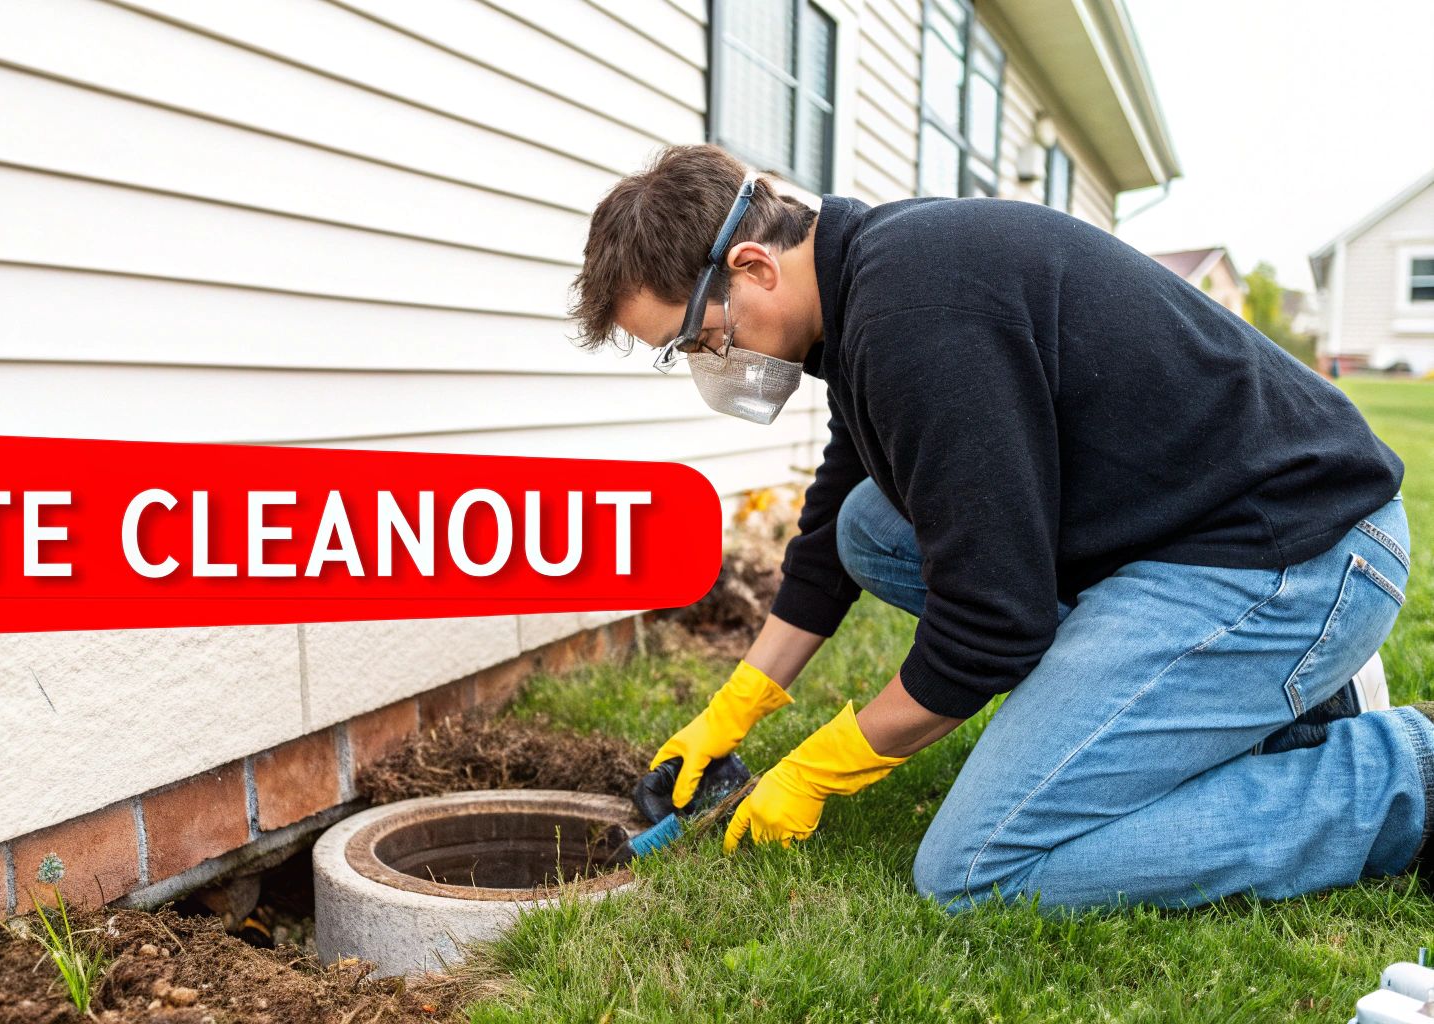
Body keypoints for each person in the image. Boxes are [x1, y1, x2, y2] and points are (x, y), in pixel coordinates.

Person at [569, 143, 1417, 911]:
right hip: (1187, 537)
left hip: (1296, 557)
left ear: (752, 266)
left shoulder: (912, 318)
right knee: (871, 525)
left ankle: (1398, 774)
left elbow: (989, 627)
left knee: (978, 868)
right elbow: (832, 531)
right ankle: (1270, 704)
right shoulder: (865, 285)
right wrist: (737, 705)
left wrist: (820, 770)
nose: (708, 364)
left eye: (697, 338)